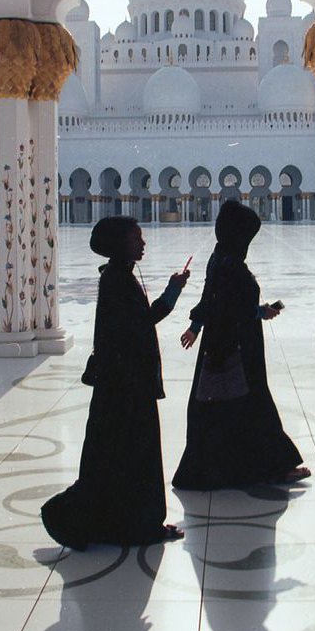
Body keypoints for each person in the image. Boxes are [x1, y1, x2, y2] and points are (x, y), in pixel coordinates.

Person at [41, 216, 189, 549]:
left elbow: (138, 322)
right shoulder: (117, 280)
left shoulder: (118, 276)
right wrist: (173, 292)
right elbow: (139, 325)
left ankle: (127, 522)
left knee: (120, 455)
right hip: (127, 386)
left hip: (122, 383)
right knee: (134, 455)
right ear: (121, 243)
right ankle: (134, 524)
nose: (143, 243)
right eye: (137, 238)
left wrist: (172, 290)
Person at [172, 200, 310, 490]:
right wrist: (259, 312)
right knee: (253, 403)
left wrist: (197, 326)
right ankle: (274, 466)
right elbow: (226, 307)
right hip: (235, 347)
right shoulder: (230, 265)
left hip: (222, 342)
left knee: (224, 406)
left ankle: (219, 469)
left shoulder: (219, 257)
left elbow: (212, 299)